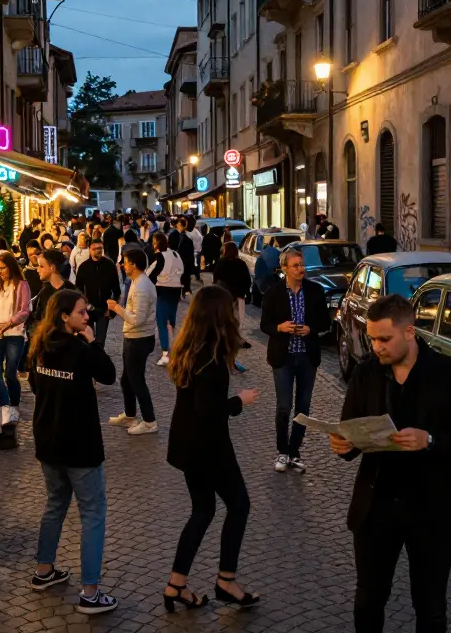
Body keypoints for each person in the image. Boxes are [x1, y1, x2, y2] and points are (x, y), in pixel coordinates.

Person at [329, 294, 451, 633]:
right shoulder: (365, 373)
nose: (376, 346)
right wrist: (344, 445)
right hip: (376, 507)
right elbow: (350, 429)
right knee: (368, 599)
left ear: (410, 331)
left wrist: (431, 440)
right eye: (372, 338)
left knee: (430, 606)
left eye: (384, 339)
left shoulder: (450, 373)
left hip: (433, 509)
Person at [163, 285, 261, 613]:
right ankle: (226, 581)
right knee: (239, 505)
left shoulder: (189, 347)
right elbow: (209, 409)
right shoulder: (213, 356)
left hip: (188, 446)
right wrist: (240, 401)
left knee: (203, 512)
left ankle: (177, 584)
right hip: (209, 448)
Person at [27, 290, 120, 615]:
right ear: (65, 316)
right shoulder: (81, 350)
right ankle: (90, 592)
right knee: (93, 512)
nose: (87, 316)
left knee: (55, 504)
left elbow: (36, 387)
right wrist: (93, 341)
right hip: (80, 445)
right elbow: (109, 375)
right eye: (82, 312)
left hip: (48, 442)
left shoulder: (39, 346)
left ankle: (44, 570)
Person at [260, 247, 330, 473]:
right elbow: (264, 325)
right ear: (285, 269)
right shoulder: (273, 293)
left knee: (303, 408)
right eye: (296, 265)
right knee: (283, 406)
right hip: (284, 357)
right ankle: (282, 451)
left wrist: (311, 329)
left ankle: (294, 452)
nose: (301, 269)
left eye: (302, 264)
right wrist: (280, 328)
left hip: (307, 357)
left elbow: (326, 323)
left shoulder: (316, 291)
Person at [107, 249, 159, 435]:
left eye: (126, 262)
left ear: (134, 265)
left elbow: (137, 319)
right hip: (134, 338)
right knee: (127, 380)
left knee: (136, 381)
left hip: (138, 340)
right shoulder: (138, 283)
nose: (123, 265)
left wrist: (116, 308)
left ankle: (149, 421)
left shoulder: (141, 288)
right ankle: (130, 415)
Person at [0, 252, 32, 425]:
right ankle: (5, 405)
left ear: (11, 267)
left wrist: (10, 323)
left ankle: (14, 404)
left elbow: (25, 310)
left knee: (11, 372)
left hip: (15, 334)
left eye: (2, 268)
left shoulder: (21, 285)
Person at [146, 232, 184, 367]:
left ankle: (166, 353)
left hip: (163, 290)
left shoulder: (159, 257)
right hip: (176, 290)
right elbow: (182, 270)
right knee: (171, 320)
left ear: (155, 243)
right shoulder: (175, 254)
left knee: (162, 321)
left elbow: (148, 275)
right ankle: (173, 347)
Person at [74, 238, 121, 348]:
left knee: (100, 342)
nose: (98, 251)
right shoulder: (84, 267)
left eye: (100, 248)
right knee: (87, 340)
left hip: (104, 310)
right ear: (90, 249)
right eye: (95, 249)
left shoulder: (110, 266)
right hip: (87, 309)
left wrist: (111, 310)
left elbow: (117, 290)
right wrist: (83, 306)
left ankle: (98, 362)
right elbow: (78, 289)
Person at [213, 242, 253, 350]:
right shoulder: (241, 263)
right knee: (237, 319)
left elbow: (216, 279)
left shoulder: (221, 263)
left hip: (224, 296)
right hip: (239, 296)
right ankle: (236, 338)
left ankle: (224, 339)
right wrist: (246, 293)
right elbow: (247, 280)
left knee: (223, 318)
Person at [33, 249, 76, 325]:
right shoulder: (44, 292)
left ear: (52, 268)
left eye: (41, 266)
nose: (38, 270)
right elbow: (38, 319)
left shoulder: (71, 291)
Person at [252, 237, 282, 304]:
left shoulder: (265, 251)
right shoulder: (273, 252)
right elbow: (275, 267)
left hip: (261, 277)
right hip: (267, 278)